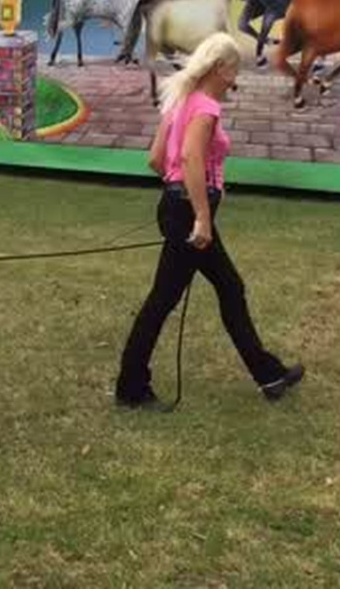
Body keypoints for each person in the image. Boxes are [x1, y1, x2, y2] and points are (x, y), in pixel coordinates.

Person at [115, 32, 304, 409]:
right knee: (163, 300)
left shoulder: (178, 103)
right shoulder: (205, 108)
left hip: (177, 207)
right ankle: (131, 388)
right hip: (189, 214)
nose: (234, 80)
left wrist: (184, 194)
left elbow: (157, 159)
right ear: (219, 68)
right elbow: (190, 158)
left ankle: (269, 374)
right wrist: (200, 214)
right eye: (233, 71)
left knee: (229, 287)